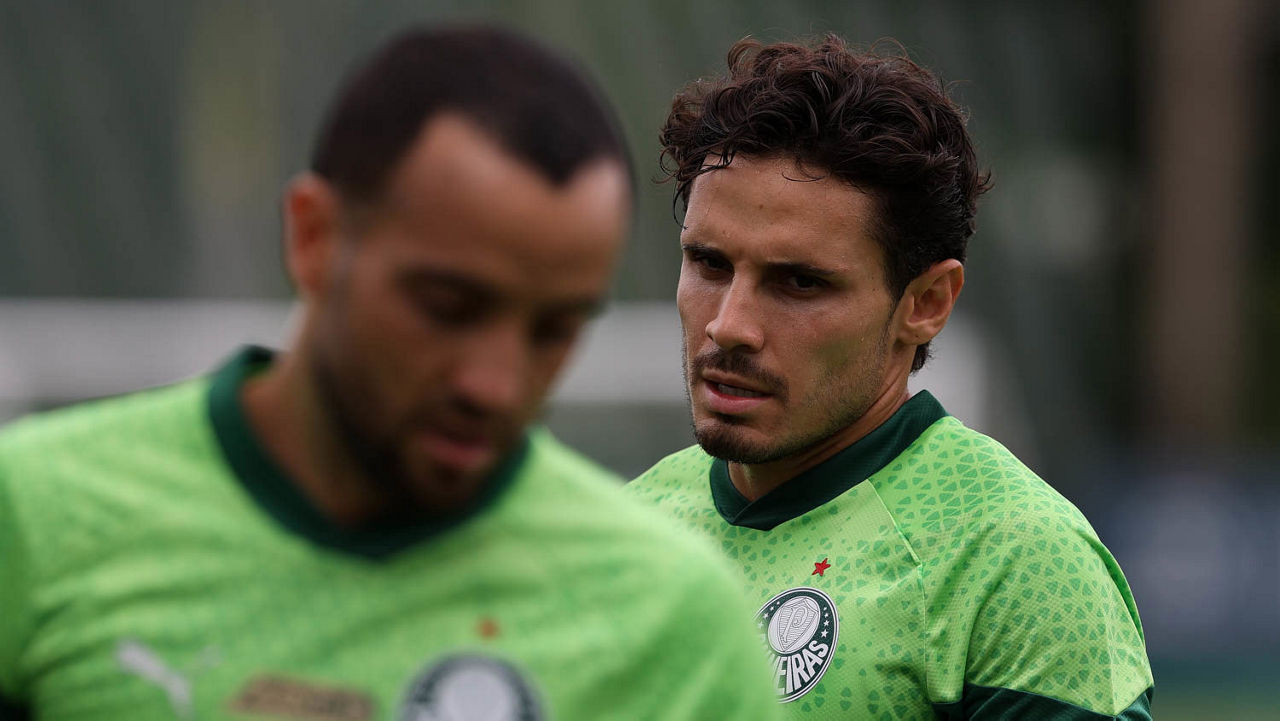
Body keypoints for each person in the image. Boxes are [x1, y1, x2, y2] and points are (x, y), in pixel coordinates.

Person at [0, 25, 781, 721]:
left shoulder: (667, 619)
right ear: (313, 238)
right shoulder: (37, 515)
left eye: (553, 329)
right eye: (448, 306)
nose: (494, 384)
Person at [627, 35, 1154, 719]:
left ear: (925, 303)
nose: (729, 325)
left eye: (800, 282)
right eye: (709, 263)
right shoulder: (626, 535)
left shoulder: (1014, 559)